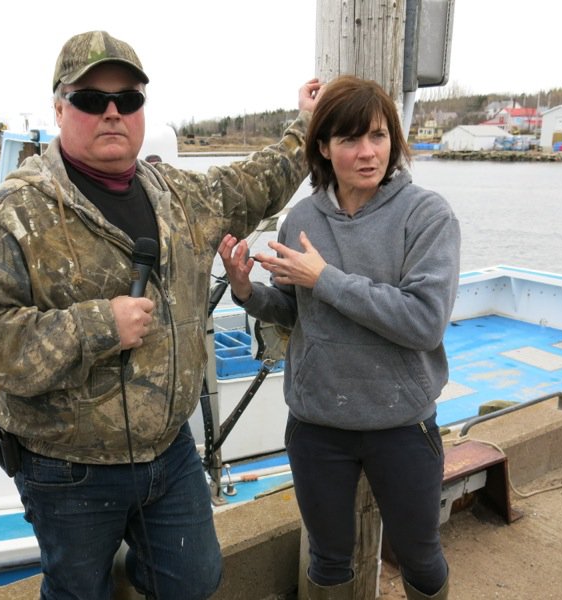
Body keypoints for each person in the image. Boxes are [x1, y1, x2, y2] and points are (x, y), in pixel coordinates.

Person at [0, 29, 321, 600]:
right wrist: (95, 327)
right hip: (66, 469)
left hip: (170, 453)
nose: (113, 112)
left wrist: (306, 124)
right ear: (60, 108)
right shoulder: (11, 212)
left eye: (128, 99)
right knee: (76, 593)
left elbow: (257, 182)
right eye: (92, 100)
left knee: (194, 582)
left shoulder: (179, 194)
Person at [218, 75, 460, 600]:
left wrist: (324, 278)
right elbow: (296, 311)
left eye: (377, 136)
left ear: (394, 141)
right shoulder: (302, 219)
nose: (367, 152)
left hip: (402, 423)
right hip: (318, 424)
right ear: (323, 148)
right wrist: (246, 293)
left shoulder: (427, 215)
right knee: (327, 559)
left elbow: (424, 321)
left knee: (420, 556)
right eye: (349, 139)